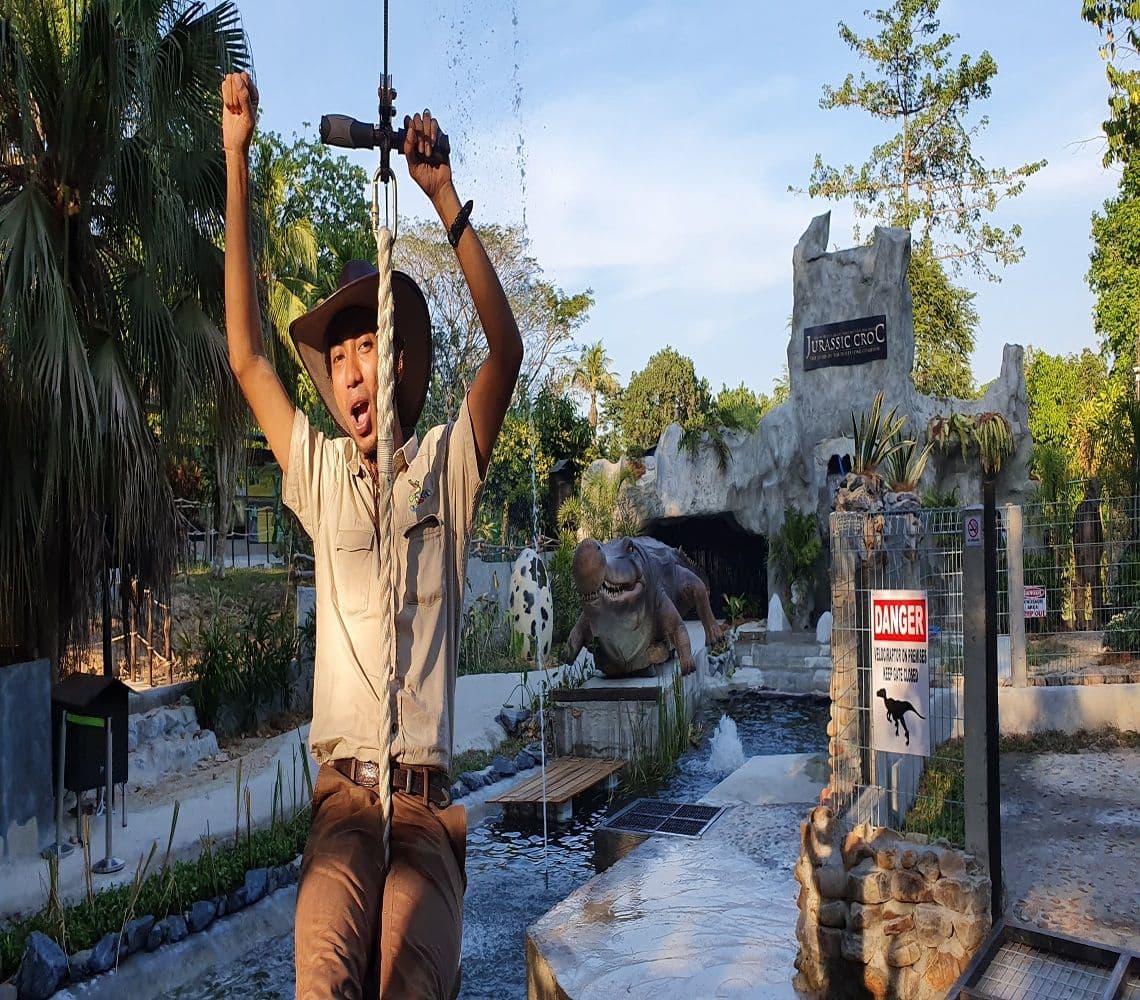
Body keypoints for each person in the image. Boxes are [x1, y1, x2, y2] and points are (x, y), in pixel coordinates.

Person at [221, 71, 522, 999]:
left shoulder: (447, 468)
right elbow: (245, 356)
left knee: (410, 982)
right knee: (324, 976)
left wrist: (443, 201)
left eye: (369, 347)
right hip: (343, 807)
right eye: (339, 352)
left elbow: (504, 353)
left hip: (426, 817)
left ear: (398, 362)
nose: (353, 370)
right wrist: (234, 157)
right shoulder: (316, 474)